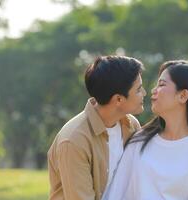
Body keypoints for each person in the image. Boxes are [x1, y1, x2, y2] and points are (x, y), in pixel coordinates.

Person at [105, 60, 188, 200]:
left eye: (161, 84)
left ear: (183, 95)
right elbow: (115, 194)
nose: (153, 91)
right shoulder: (139, 141)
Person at [47, 55, 146, 200]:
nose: (144, 93)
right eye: (138, 89)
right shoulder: (74, 140)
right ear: (118, 99)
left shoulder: (130, 125)